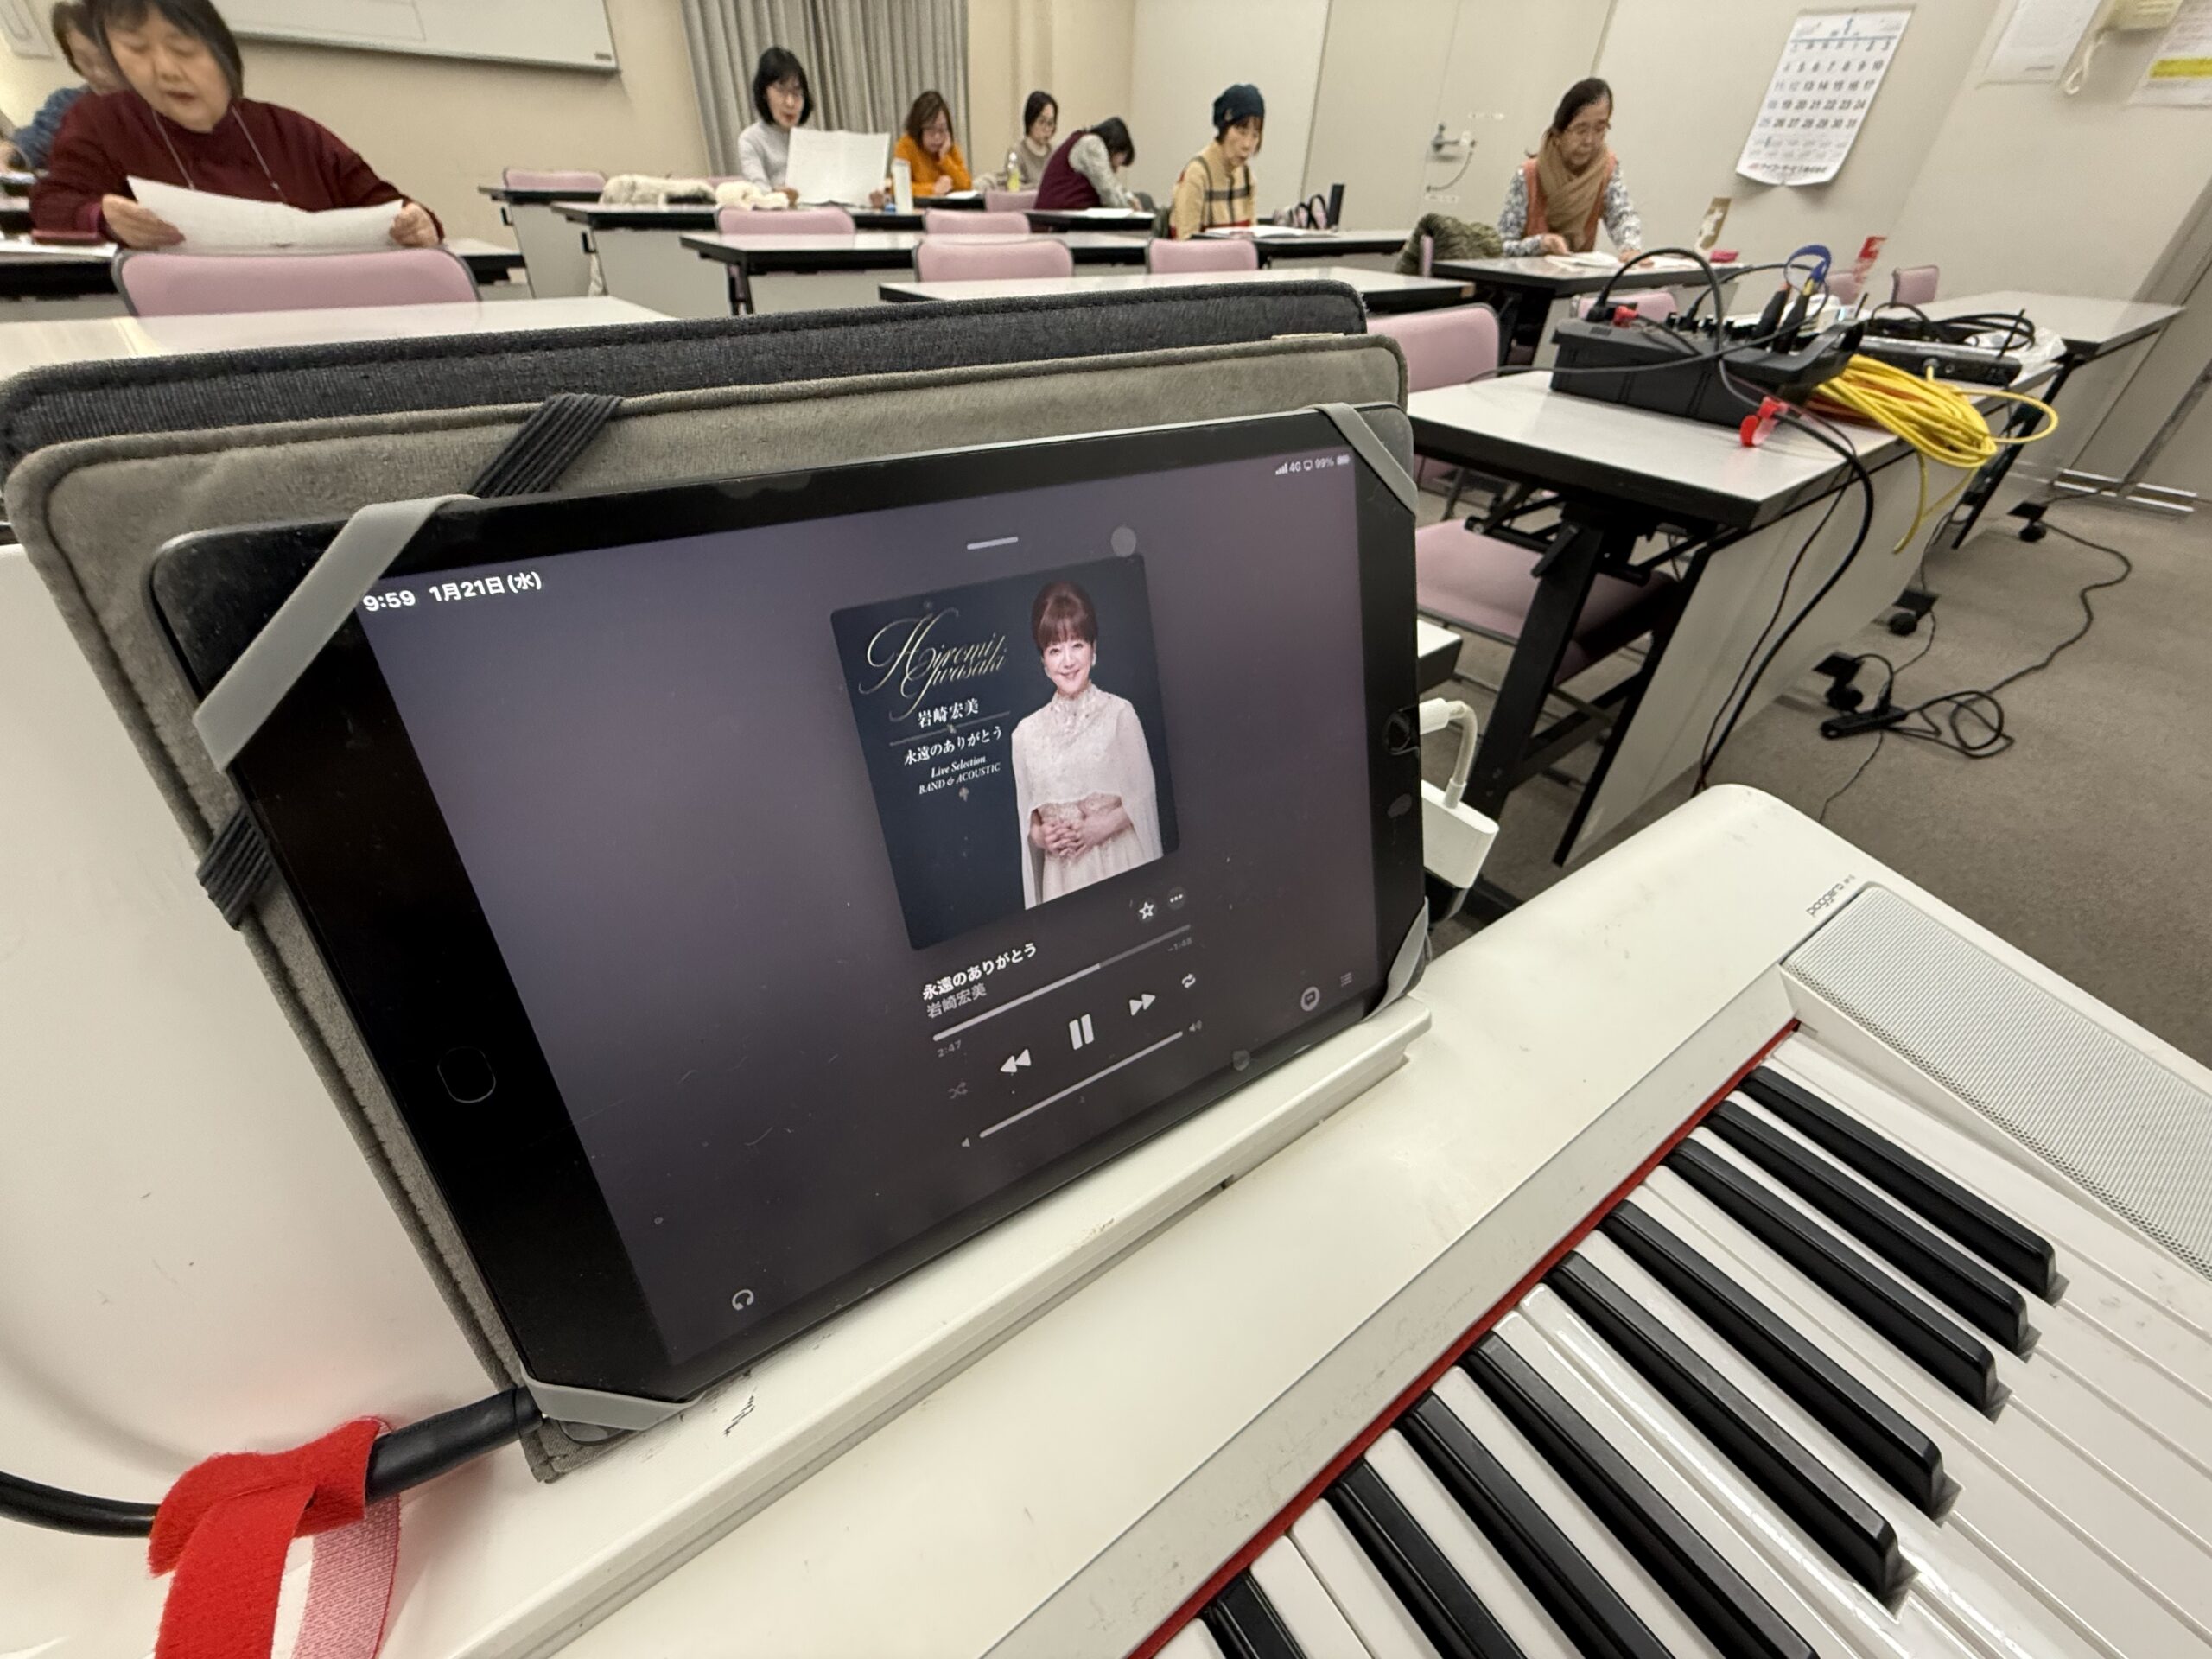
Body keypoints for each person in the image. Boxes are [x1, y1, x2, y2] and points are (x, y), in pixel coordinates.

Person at [31, 0, 438, 247]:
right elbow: (52, 204)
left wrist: (419, 223)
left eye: (184, 50)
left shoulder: (291, 132)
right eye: (137, 51)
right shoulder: (103, 123)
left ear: (221, 53)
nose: (167, 70)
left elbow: (392, 208)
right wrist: (102, 216)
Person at [1010, 580, 1163, 908]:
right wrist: (1041, 837)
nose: (1068, 661)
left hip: (1119, 862)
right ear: (1043, 661)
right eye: (1055, 650)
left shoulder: (1119, 714)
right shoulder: (1024, 735)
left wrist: (1102, 827)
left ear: (1094, 650)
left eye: (1077, 645)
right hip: (1062, 880)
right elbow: (1030, 820)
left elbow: (1144, 797)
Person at [1498, 77, 1640, 260]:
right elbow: (1501, 247)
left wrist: (1630, 249)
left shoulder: (1606, 168)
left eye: (1599, 130)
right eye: (1581, 130)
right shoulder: (1529, 175)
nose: (1589, 141)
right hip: (1525, 275)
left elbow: (1621, 215)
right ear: (1559, 133)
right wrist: (1540, 244)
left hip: (1577, 275)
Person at [5, 3, 125, 171]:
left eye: (107, 60)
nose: (98, 73)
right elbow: (38, 139)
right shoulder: (68, 103)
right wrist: (13, 153)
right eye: (85, 61)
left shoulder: (158, 108)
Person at [1168, 82, 1262, 239]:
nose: (1247, 144)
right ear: (1224, 129)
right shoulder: (1197, 174)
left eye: (1255, 135)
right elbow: (1185, 244)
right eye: (1241, 131)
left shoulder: (1247, 177)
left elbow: (1252, 241)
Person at [736, 45, 809, 202]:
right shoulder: (751, 140)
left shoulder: (811, 139)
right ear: (764, 93)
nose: (790, 102)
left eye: (797, 92)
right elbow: (759, 194)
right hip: (776, 214)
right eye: (781, 91)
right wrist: (776, 195)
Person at [1033, 116, 1137, 212]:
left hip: (1059, 213)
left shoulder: (1082, 141)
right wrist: (1134, 211)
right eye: (1114, 166)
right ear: (1114, 147)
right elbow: (1108, 191)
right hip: (1058, 217)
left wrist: (1129, 198)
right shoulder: (1092, 144)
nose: (1115, 171)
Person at [893, 89, 969, 196]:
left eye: (942, 129)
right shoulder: (906, 145)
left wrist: (944, 160)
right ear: (918, 128)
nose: (937, 136)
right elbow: (897, 187)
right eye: (930, 129)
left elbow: (966, 185)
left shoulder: (947, 147)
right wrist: (933, 189)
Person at [994, 89, 1055, 191]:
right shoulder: (1016, 152)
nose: (1047, 129)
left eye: (1050, 123)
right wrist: (1041, 187)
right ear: (1030, 121)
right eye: (1042, 122)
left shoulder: (1055, 153)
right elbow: (1014, 188)